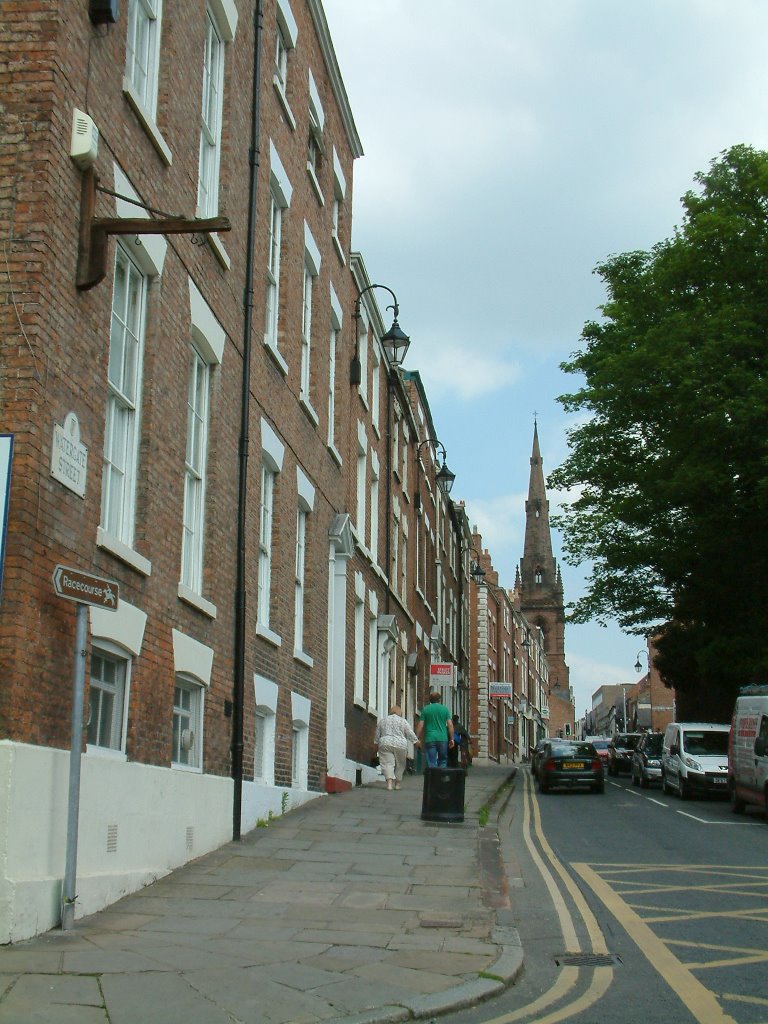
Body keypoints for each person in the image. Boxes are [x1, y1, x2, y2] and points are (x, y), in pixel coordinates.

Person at [374, 705, 420, 791]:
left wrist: (376, 745)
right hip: (400, 745)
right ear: (400, 713)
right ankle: (398, 784)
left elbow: (377, 735)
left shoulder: (383, 721)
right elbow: (409, 732)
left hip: (385, 743)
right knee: (400, 764)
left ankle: (389, 784)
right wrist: (416, 742)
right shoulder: (403, 721)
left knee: (387, 763)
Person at [417, 691, 454, 768]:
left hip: (430, 738)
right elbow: (450, 725)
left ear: (430, 700)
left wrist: (417, 738)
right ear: (439, 700)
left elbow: (420, 725)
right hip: (443, 738)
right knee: (443, 760)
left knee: (431, 761)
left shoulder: (425, 709)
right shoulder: (445, 709)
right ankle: (441, 778)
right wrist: (452, 739)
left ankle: (433, 778)